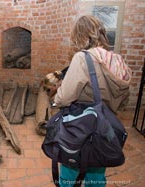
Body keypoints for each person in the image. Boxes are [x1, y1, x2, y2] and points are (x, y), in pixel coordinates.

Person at [54, 15, 132, 187]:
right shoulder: (116, 59)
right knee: (96, 173)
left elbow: (65, 97)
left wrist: (56, 97)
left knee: (70, 169)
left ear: (80, 35)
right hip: (105, 125)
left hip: (81, 125)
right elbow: (124, 99)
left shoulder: (83, 58)